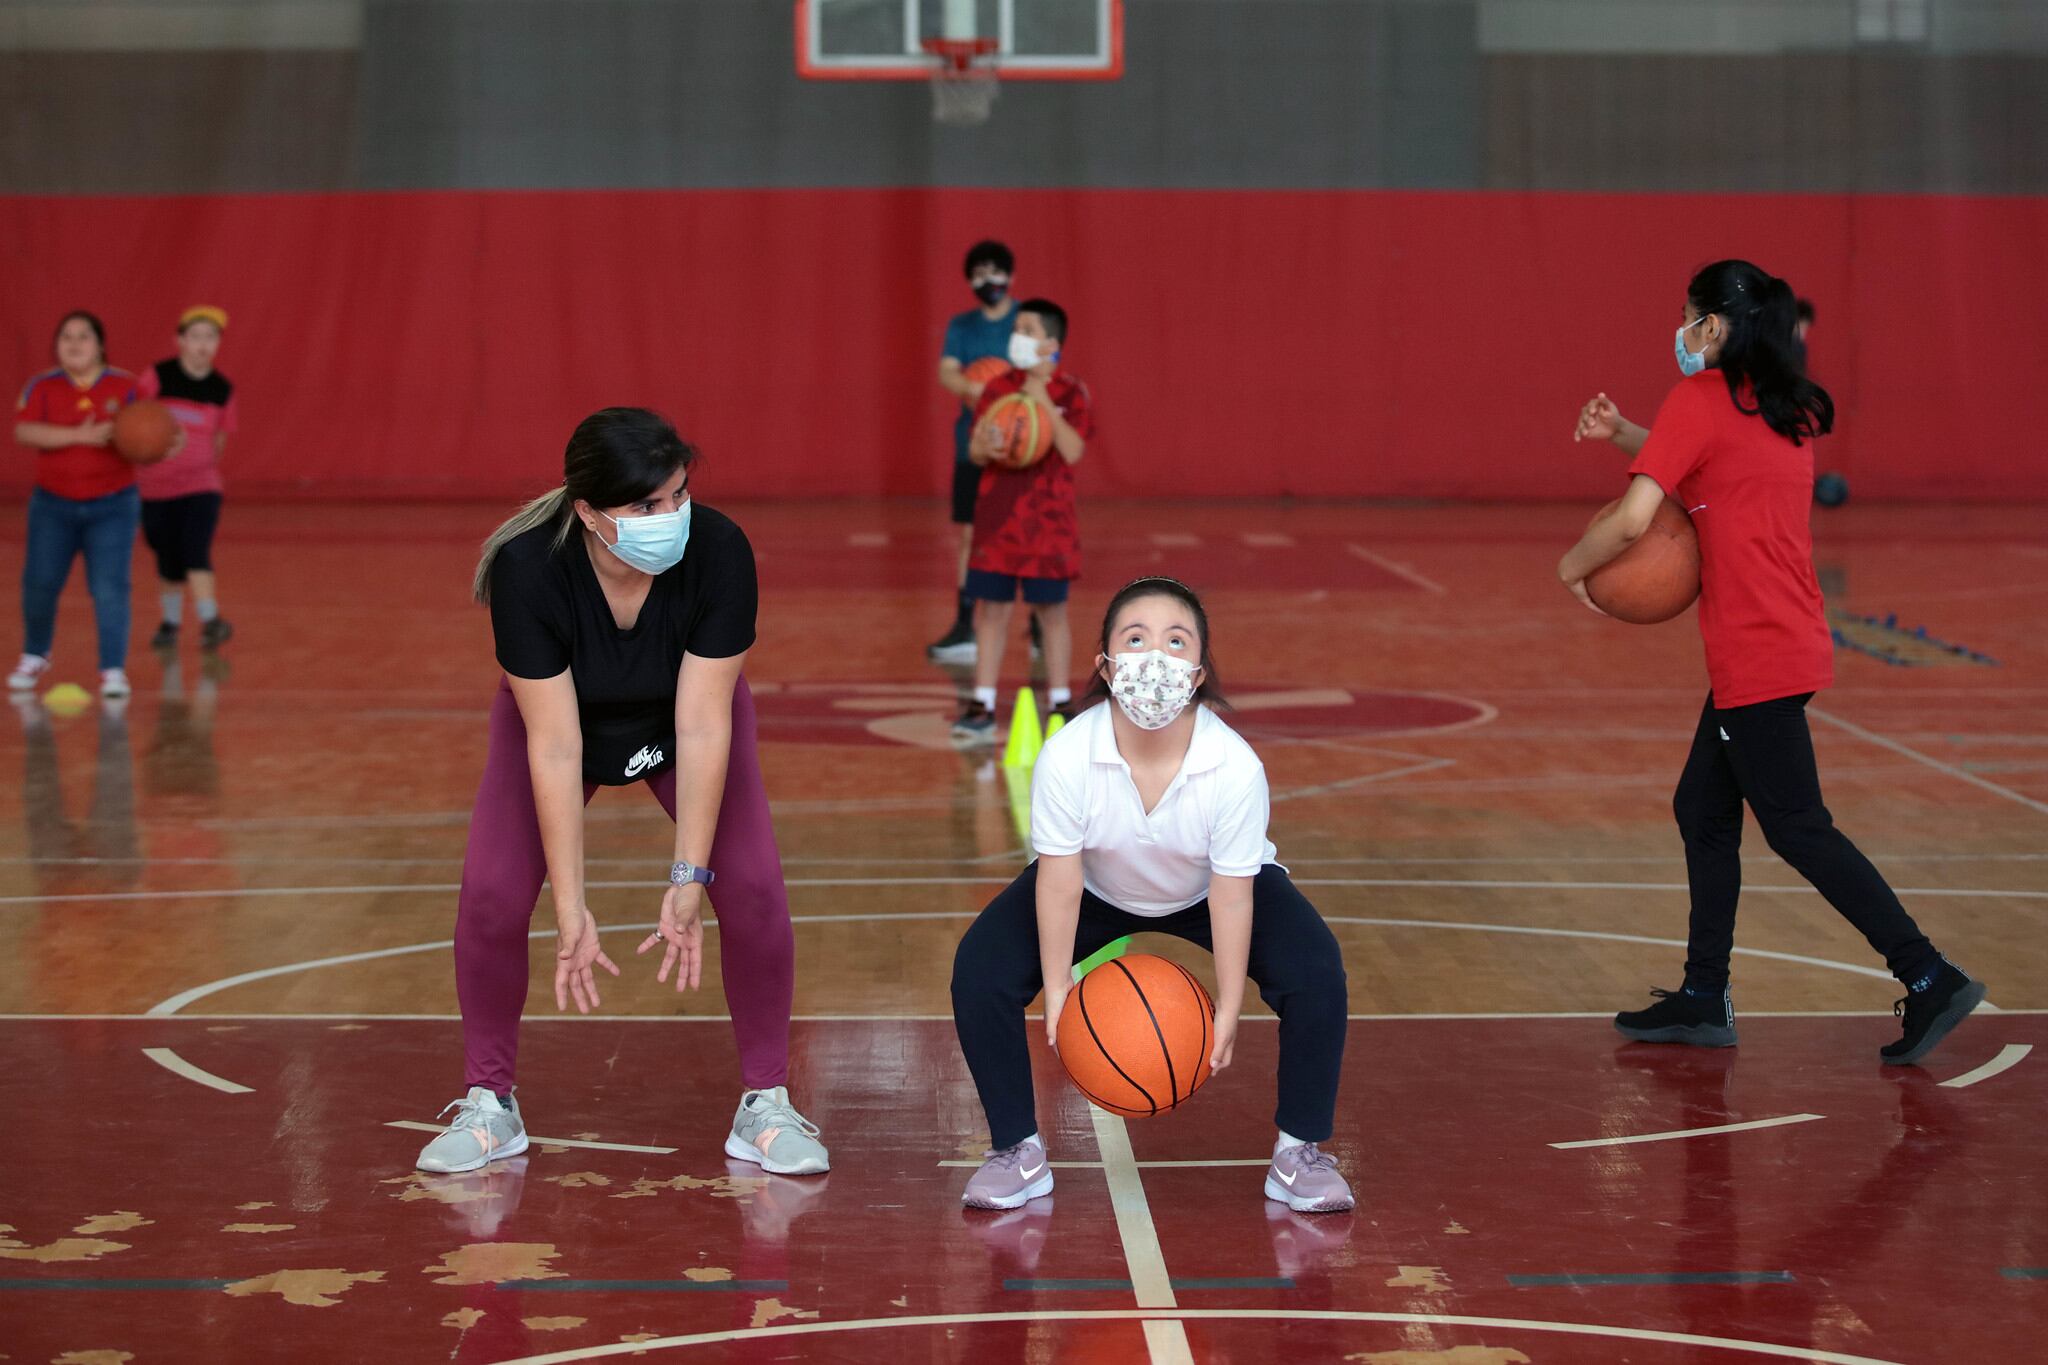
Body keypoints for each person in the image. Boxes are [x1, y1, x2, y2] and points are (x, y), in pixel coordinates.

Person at [1563, 259, 1983, 1066]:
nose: (1681, 331)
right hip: (1788, 640)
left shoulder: (1700, 399)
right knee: (1702, 807)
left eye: (1688, 315)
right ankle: (1702, 995)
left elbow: (1633, 522)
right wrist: (1624, 433)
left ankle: (1929, 973)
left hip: (1754, 652)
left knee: (1797, 827)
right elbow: (1701, 457)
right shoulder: (1782, 406)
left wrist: (1570, 569)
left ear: (1714, 325)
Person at [413, 407, 828, 1177]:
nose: (670, 516)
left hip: (683, 718)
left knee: (752, 885)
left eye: (678, 495)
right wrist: (570, 906)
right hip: (562, 722)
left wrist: (688, 876)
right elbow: (555, 743)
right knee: (493, 893)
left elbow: (702, 723)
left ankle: (766, 1102)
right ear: (588, 513)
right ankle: (489, 1102)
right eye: (645, 505)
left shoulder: (721, 551)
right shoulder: (527, 568)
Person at [951, 577, 1355, 1213]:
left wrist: (1228, 1006)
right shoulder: (1067, 755)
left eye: (1176, 641)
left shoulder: (1234, 767)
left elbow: (1232, 896)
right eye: (1135, 639)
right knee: (980, 972)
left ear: (1198, 674)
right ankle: (1016, 1150)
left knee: (1317, 973)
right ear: (1106, 665)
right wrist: (1056, 989)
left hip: (1208, 888)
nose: (1155, 658)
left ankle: (1297, 1152)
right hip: (1094, 884)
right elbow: (1058, 878)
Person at [950, 299, 1092, 746]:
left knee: (1052, 614)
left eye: (1027, 330)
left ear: (1051, 343)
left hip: (1049, 526)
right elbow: (975, 450)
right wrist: (987, 447)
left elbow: (1072, 450)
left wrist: (1041, 400)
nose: (1018, 336)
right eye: (1017, 328)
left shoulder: (1071, 392)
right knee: (992, 612)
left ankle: (1061, 701)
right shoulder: (997, 388)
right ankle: (983, 702)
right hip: (998, 522)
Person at [11, 312, 156, 700]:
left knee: (110, 587)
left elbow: (151, 429)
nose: (74, 344)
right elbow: (24, 431)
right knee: (40, 584)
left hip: (113, 506)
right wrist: (80, 435)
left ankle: (112, 669)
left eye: (83, 336)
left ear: (100, 346)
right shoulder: (42, 386)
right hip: (52, 507)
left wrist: (161, 443)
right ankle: (35, 654)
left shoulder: (126, 386)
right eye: (66, 337)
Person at [929, 239, 1020, 663]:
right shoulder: (962, 326)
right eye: (980, 273)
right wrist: (979, 389)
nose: (989, 280)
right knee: (970, 535)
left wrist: (1009, 397)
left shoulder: (1025, 320)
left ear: (1011, 275)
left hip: (1020, 449)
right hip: (974, 445)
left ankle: (1038, 627)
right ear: (969, 281)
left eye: (995, 271)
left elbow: (1046, 368)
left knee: (1025, 535)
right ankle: (965, 625)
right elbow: (948, 372)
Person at [138, 306, 237, 650]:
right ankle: (171, 622)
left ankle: (211, 620)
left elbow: (220, 439)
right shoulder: (158, 376)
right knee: (168, 559)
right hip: (155, 489)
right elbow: (135, 419)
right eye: (195, 336)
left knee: (196, 549)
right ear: (179, 341)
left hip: (200, 486)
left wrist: (199, 465)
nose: (203, 344)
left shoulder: (222, 389)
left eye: (210, 337)